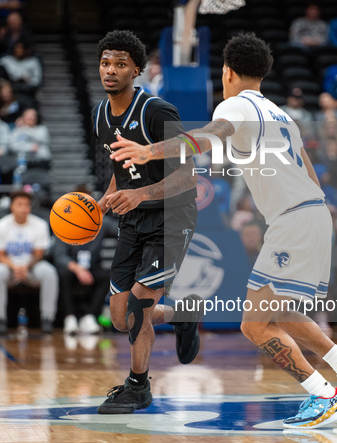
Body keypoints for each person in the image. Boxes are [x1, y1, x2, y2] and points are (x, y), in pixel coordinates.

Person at [110, 32, 337, 428]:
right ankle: (331, 386)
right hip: (310, 214)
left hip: (295, 219)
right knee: (273, 315)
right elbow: (306, 166)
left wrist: (149, 150)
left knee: (255, 324)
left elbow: (211, 135)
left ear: (228, 72)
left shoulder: (235, 106)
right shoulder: (279, 113)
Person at [92, 30, 200, 415]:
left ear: (136, 69)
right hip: (133, 220)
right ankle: (181, 314)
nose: (111, 70)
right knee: (121, 317)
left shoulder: (157, 111)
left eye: (121, 64)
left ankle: (138, 386)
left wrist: (140, 194)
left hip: (172, 218)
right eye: (106, 62)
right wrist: (105, 199)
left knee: (137, 307)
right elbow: (121, 171)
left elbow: (189, 176)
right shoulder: (100, 115)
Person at [0, 191, 58, 334]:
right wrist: (15, 267)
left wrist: (25, 266)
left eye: (26, 205)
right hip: (8, 265)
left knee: (50, 273)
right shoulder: (0, 226)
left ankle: (47, 318)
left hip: (31, 265)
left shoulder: (40, 224)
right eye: (19, 204)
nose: (24, 208)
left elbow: (39, 254)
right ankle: (0, 319)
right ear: (12, 206)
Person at [54, 217, 114, 335]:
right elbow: (59, 256)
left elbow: (118, 228)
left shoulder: (100, 223)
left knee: (105, 276)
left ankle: (89, 316)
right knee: (62, 274)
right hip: (71, 265)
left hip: (91, 265)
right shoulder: (63, 224)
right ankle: (69, 317)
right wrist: (78, 269)